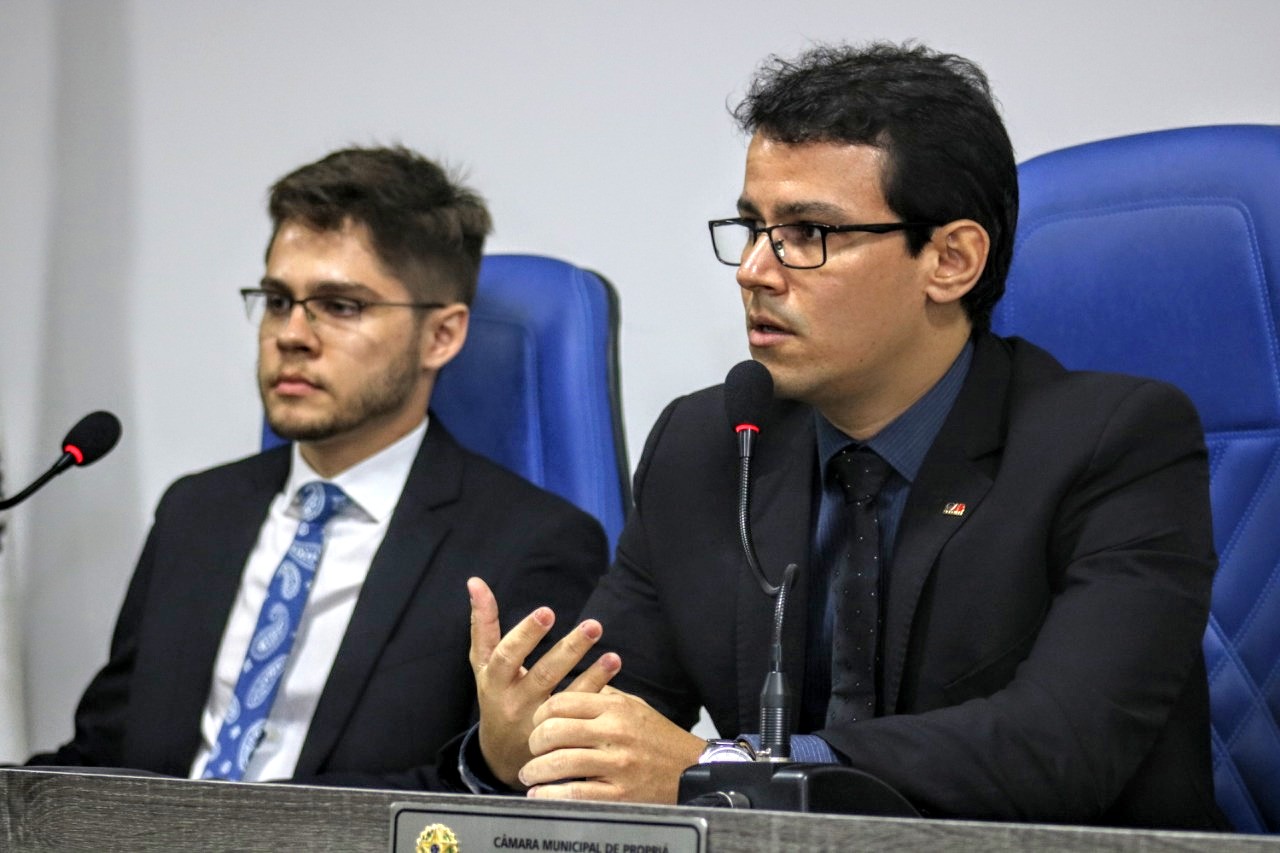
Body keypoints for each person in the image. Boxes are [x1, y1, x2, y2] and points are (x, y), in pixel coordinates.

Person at [458, 43, 1227, 829]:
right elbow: (613, 715)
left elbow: (1059, 746)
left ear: (951, 259)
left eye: (807, 232)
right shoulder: (709, 445)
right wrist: (522, 743)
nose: (753, 270)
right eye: (753, 227)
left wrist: (728, 770)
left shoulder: (1115, 445)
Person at [27, 146, 608, 789]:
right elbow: (100, 761)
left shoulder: (530, 545)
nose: (291, 335)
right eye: (278, 300)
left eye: (340, 306)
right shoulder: (195, 512)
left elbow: (489, 792)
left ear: (441, 336)